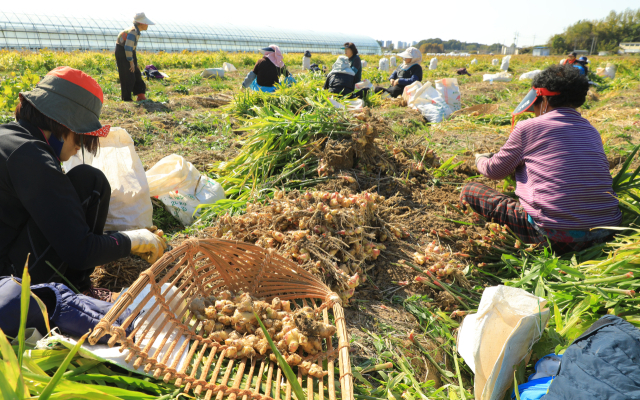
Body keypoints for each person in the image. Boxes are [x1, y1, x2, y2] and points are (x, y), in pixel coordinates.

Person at [0, 67, 167, 300]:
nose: (79, 146)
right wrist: (135, 240)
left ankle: (75, 285)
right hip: (9, 284)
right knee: (92, 182)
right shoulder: (31, 158)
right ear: (63, 124)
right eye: (80, 136)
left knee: (87, 180)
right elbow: (81, 250)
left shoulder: (10, 139)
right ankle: (76, 289)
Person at [461, 65, 621, 254]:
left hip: (555, 236)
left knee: (471, 190)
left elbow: (494, 171)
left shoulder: (528, 127)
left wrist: (480, 159)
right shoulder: (591, 131)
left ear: (543, 99)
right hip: (608, 234)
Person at [115, 12, 155, 102]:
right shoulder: (133, 32)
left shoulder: (136, 31)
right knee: (128, 75)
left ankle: (140, 95)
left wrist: (134, 62)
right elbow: (128, 48)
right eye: (146, 24)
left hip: (129, 52)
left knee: (136, 73)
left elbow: (131, 48)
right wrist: (131, 62)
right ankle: (126, 98)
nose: (147, 25)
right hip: (123, 52)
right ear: (142, 24)